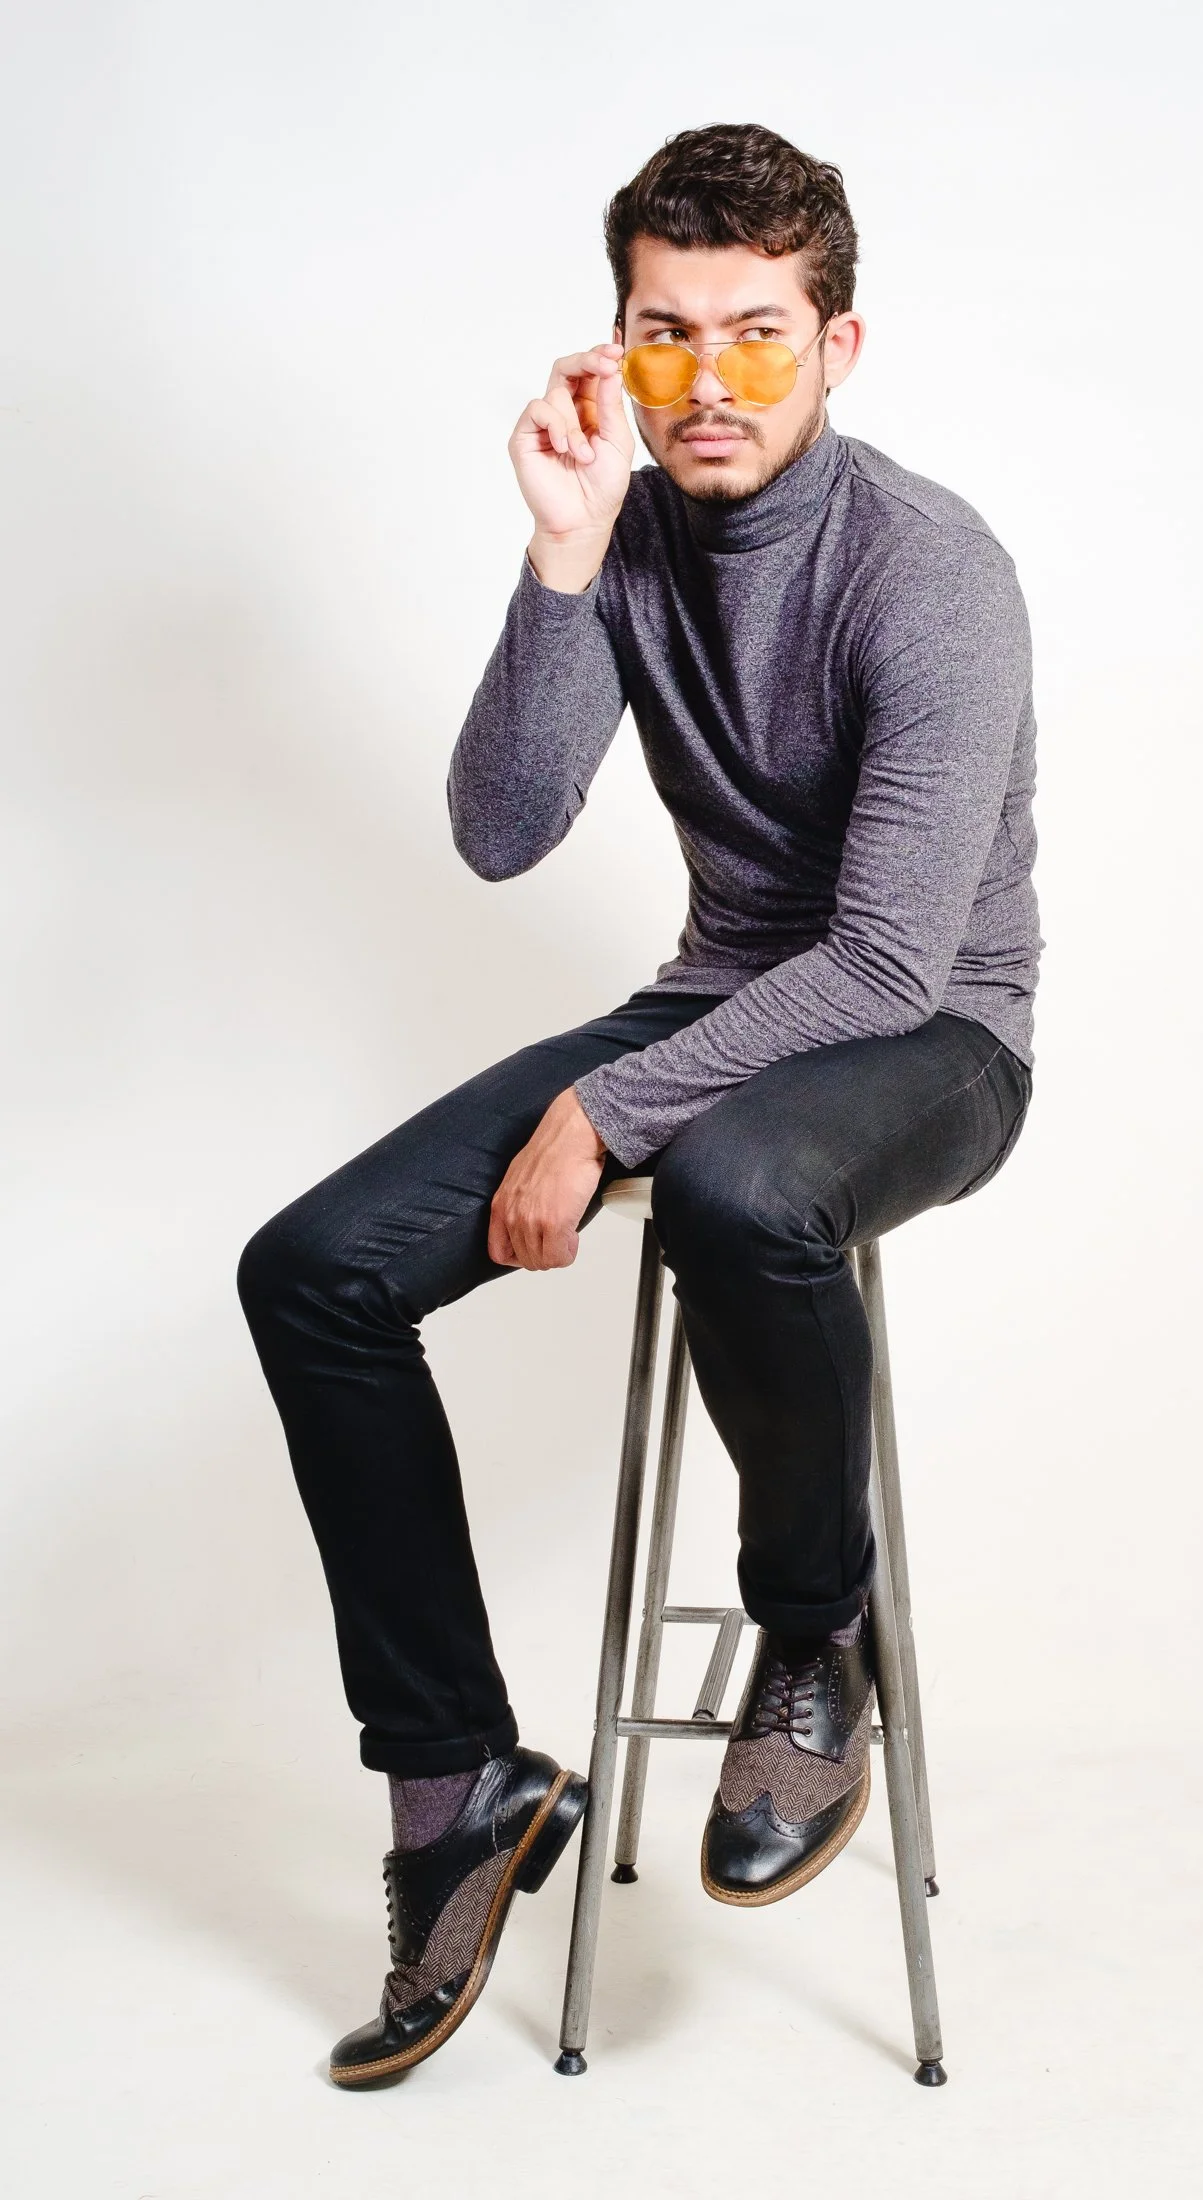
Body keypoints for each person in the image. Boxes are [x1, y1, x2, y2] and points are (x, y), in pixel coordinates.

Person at [238, 120, 1042, 2087]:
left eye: (753, 332)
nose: (704, 380)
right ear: (618, 338)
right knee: (313, 1270)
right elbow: (500, 830)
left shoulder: (925, 569)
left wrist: (604, 1114)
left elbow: (880, 964)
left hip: (936, 1030)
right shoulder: (632, 525)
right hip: (713, 1000)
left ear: (837, 345)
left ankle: (812, 1633)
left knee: (739, 1190)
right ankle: (456, 1788)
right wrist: (562, 556)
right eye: (663, 331)